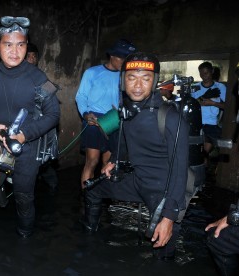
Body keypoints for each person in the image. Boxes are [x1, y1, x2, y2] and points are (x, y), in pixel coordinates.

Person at [81, 52, 189, 260]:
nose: (138, 85)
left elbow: (179, 173)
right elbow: (123, 142)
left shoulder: (171, 118)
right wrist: (113, 160)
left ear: (154, 81)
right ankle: (87, 243)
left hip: (164, 191)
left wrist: (168, 218)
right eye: (131, 78)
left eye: (145, 78)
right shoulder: (126, 112)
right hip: (136, 180)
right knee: (92, 189)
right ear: (123, 81)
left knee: (163, 252)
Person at [0, 16, 60, 238]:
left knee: (24, 198)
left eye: (20, 45)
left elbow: (54, 114)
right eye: (8, 44)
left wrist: (25, 135)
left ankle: (25, 237)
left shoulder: (38, 77)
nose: (14, 51)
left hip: (27, 149)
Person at [75, 39, 136, 190]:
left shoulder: (126, 77)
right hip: (94, 120)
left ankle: (104, 196)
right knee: (92, 161)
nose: (124, 62)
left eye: (127, 59)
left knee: (108, 163)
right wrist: (86, 114)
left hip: (114, 120)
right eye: (121, 58)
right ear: (112, 56)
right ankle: (87, 197)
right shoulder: (93, 73)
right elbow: (81, 96)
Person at [26, 42, 59, 193]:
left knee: (45, 159)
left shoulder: (41, 77)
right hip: (24, 127)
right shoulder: (15, 77)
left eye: (34, 56)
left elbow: (51, 108)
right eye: (29, 56)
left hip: (41, 126)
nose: (32, 59)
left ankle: (52, 190)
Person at [191, 62, 226, 165]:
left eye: (206, 73)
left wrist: (213, 103)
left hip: (211, 125)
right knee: (196, 153)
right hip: (196, 124)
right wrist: (202, 98)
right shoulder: (195, 87)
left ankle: (203, 175)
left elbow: (227, 106)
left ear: (212, 71)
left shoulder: (220, 87)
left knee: (204, 154)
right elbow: (190, 104)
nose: (204, 76)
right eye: (201, 74)